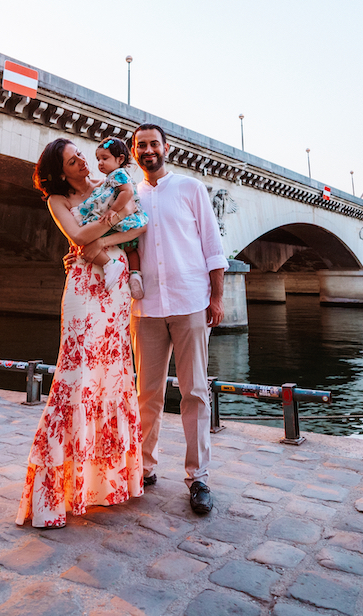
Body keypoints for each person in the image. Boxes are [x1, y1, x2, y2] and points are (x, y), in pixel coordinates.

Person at [17, 138, 147, 529]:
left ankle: (106, 486)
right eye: (74, 161)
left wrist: (104, 236)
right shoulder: (57, 201)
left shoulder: (107, 183)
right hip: (84, 288)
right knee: (76, 378)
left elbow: (134, 225)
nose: (83, 163)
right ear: (61, 172)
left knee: (113, 376)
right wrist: (107, 222)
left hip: (115, 282)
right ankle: (57, 492)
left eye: (82, 156)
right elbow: (77, 237)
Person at [129, 123, 228, 516]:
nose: (148, 150)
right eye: (141, 145)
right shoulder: (129, 196)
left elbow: (212, 246)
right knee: (146, 394)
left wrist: (216, 298)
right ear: (134, 152)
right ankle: (144, 466)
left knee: (195, 393)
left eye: (154, 144)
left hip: (189, 303)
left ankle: (198, 476)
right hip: (147, 308)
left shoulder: (190, 189)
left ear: (166, 148)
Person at [91, 138, 148, 299]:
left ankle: (109, 265)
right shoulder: (113, 176)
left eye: (105, 158)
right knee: (131, 249)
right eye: (98, 159)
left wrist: (113, 210)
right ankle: (135, 275)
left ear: (120, 159)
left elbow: (127, 192)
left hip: (124, 219)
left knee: (95, 239)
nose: (100, 163)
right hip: (127, 221)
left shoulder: (118, 174)